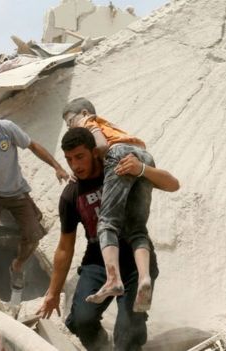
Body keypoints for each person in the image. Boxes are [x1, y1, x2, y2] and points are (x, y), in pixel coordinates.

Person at [37, 128, 179, 350]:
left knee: (128, 332)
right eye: (69, 159)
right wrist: (53, 292)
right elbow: (65, 247)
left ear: (95, 152)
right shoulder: (71, 195)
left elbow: (172, 184)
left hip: (134, 255)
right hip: (97, 259)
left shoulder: (120, 168)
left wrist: (142, 169)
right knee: (82, 320)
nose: (75, 165)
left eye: (80, 157)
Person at [0, 91, 70, 295]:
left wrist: (57, 167)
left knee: (34, 234)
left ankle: (17, 266)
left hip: (16, 191)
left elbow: (33, 145)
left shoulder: (6, 128)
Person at [63, 98, 158, 311]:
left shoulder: (88, 121)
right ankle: (144, 278)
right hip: (144, 158)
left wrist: (97, 162)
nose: (70, 127)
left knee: (106, 222)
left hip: (120, 154)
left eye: (70, 121)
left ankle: (113, 279)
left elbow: (104, 146)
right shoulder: (110, 125)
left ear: (85, 112)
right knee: (136, 228)